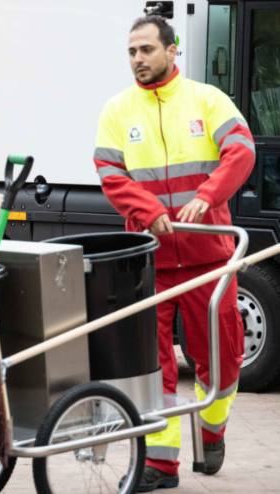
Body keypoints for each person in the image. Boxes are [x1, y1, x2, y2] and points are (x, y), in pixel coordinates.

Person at [94, 16, 255, 492]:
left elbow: (241, 150)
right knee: (154, 366)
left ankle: (212, 429)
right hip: (150, 263)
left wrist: (207, 196)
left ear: (171, 50)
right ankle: (161, 465)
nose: (138, 59)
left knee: (222, 359)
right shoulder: (117, 110)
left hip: (209, 258)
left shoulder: (207, 99)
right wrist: (147, 212)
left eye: (146, 49)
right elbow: (109, 172)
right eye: (131, 52)